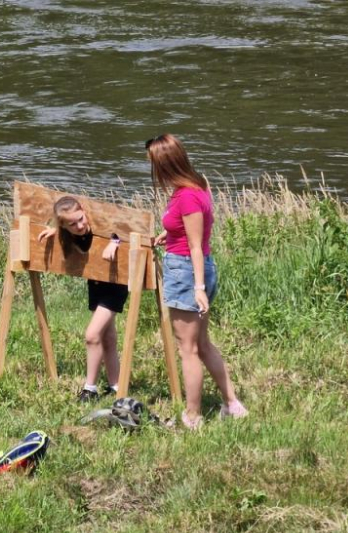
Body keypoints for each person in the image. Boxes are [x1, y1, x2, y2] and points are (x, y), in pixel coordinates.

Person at [146, 134, 248, 429]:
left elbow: (194, 246)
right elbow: (197, 231)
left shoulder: (187, 195)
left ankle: (192, 416)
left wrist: (199, 289)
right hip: (197, 266)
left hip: (187, 272)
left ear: (165, 164)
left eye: (154, 164)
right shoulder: (197, 184)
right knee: (202, 344)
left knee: (187, 349)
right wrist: (170, 235)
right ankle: (232, 405)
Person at [38, 196, 127, 402]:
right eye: (72, 224)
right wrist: (56, 231)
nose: (79, 226)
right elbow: (68, 236)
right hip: (95, 284)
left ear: (85, 211)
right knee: (108, 338)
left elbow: (120, 231)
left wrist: (114, 243)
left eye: (80, 219)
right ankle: (115, 386)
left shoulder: (99, 228)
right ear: (63, 225)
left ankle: (90, 388)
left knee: (92, 335)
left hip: (115, 285)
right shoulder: (67, 233)